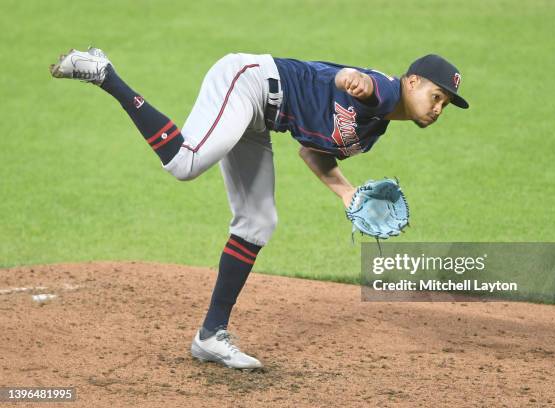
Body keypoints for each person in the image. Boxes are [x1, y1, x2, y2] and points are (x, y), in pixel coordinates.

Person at [49, 47, 469, 369]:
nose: (438, 109)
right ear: (412, 82)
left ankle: (210, 336)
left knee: (257, 222)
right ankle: (106, 75)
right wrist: (353, 79)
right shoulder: (386, 90)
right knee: (185, 162)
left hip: (261, 118)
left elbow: (311, 152)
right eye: (436, 96)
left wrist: (347, 193)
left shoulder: (373, 132)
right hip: (247, 82)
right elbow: (353, 79)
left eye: (445, 105)